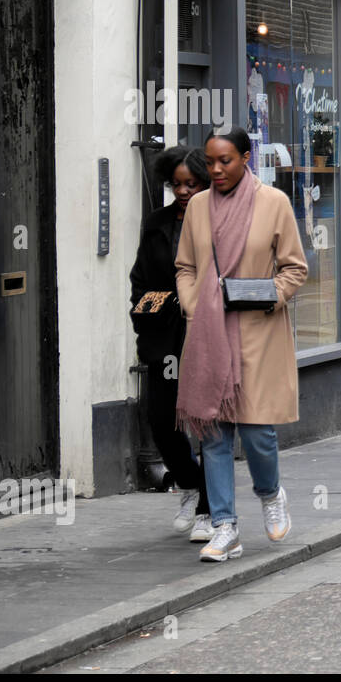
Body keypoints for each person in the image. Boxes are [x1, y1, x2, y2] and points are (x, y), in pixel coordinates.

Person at [175, 127, 308, 563]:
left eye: (225, 161)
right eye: (209, 162)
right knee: (212, 432)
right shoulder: (196, 207)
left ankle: (270, 493)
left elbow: (295, 268)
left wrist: (269, 294)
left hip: (258, 333)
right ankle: (225, 526)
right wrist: (196, 306)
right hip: (209, 336)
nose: (215, 170)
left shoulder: (274, 203)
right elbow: (185, 267)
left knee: (257, 432)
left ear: (246, 158)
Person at [130, 146, 214, 542]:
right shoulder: (156, 224)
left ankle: (209, 509)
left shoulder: (217, 220)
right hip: (164, 335)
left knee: (207, 423)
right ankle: (190, 483)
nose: (182, 191)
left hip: (206, 333)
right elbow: (141, 280)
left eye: (191, 184)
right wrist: (148, 312)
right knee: (161, 419)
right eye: (176, 184)